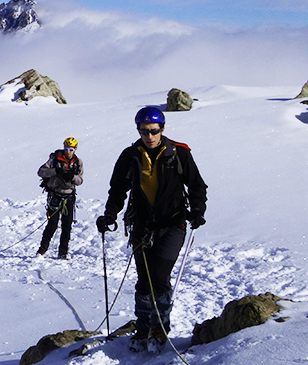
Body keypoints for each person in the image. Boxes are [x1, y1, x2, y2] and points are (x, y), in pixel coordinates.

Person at [96, 107, 207, 352]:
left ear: (162, 129)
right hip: (141, 227)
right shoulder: (130, 156)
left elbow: (197, 185)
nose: (149, 135)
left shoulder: (179, 153)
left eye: (154, 130)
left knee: (159, 276)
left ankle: (160, 328)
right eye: (144, 130)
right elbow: (117, 189)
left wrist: (197, 211)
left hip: (173, 224)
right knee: (144, 280)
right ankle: (144, 327)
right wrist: (109, 215)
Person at [36, 137, 83, 259]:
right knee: (52, 224)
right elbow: (41, 172)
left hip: (69, 197)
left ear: (75, 149)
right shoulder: (54, 159)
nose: (68, 151)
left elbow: (80, 181)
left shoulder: (78, 162)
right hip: (55, 196)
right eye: (66, 148)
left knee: (67, 226)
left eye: (71, 149)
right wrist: (56, 171)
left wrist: (71, 176)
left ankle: (63, 252)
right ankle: (42, 250)